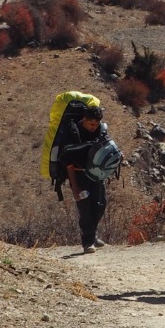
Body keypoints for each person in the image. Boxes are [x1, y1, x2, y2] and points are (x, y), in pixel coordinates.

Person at [58, 104, 114, 253]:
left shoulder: (100, 130)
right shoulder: (73, 132)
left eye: (96, 124)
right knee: (85, 208)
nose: (94, 127)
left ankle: (93, 235)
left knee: (100, 205)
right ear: (84, 120)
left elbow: (107, 145)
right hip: (78, 175)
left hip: (96, 173)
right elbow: (68, 162)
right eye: (91, 124)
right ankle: (88, 242)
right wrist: (75, 187)